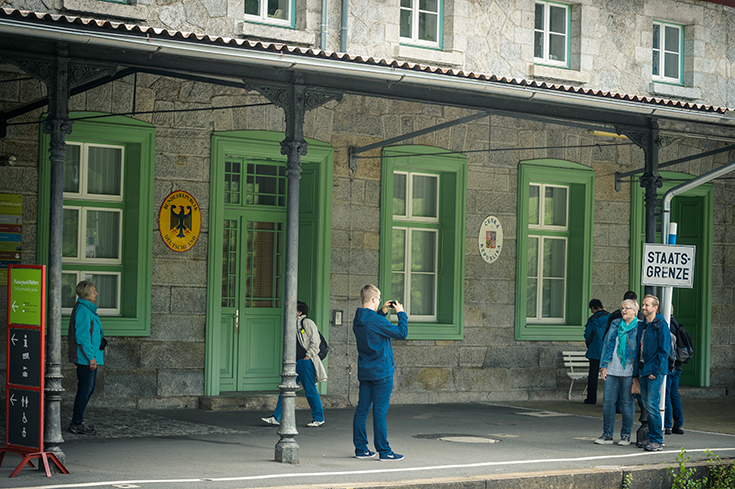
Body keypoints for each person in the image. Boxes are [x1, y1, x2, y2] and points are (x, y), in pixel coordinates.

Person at [352, 285, 408, 461]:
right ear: (374, 299)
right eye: (378, 299)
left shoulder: (358, 318)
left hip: (366, 371)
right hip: (382, 371)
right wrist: (401, 313)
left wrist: (382, 312)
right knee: (379, 412)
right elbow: (402, 333)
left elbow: (372, 328)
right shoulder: (377, 321)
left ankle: (361, 449)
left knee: (362, 410)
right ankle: (384, 451)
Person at [262, 301, 327, 427]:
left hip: (305, 362)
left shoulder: (307, 322)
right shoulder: (291, 324)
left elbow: (315, 342)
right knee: (285, 389)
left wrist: (307, 357)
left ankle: (319, 418)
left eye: (293, 310)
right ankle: (277, 417)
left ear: (300, 312)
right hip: (293, 363)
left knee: (310, 390)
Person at [595, 299, 639, 446]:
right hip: (612, 367)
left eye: (627, 308)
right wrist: (603, 366)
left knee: (627, 402)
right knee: (608, 402)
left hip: (628, 369)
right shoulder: (615, 324)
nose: (623, 311)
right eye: (622, 308)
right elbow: (607, 344)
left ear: (635, 311)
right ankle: (607, 434)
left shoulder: (639, 327)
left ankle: (625, 435)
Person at [634, 294, 671, 452]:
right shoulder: (643, 325)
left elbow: (664, 351)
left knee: (652, 405)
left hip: (653, 371)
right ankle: (651, 436)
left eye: (647, 305)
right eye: (643, 305)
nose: (643, 307)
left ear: (655, 308)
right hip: (643, 370)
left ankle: (657, 439)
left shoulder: (661, 325)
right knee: (645, 404)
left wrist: (655, 371)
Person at [68, 280, 105, 435]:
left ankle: (77, 421)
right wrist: (90, 357)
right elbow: (82, 337)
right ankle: (76, 423)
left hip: (90, 357)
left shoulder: (88, 309)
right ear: (86, 293)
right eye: (94, 291)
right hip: (86, 359)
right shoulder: (83, 310)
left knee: (88, 389)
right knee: (85, 390)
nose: (96, 293)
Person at [583, 299, 609, 405]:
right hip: (607, 350)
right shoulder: (610, 317)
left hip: (595, 350)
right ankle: (608, 399)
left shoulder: (592, 320)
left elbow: (588, 335)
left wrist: (589, 345)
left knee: (593, 376)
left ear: (593, 308)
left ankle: (591, 398)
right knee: (609, 376)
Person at [665, 305, 685, 436]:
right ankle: (679, 424)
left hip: (670, 365)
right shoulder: (677, 325)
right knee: (674, 395)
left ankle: (666, 425)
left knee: (665, 394)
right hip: (678, 365)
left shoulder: (667, 326)